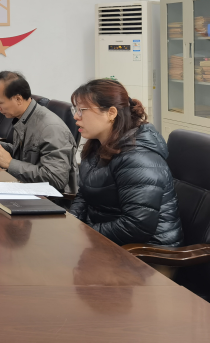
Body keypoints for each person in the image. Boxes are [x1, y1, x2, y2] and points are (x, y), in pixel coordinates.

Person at [69, 78, 183, 247]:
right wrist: (71, 224)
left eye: (82, 110)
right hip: (108, 240)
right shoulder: (97, 145)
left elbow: (137, 226)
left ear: (111, 113)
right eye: (75, 109)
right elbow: (84, 195)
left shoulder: (138, 158)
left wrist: (85, 234)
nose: (75, 116)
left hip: (148, 252)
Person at [0, 71, 78, 194]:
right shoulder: (24, 118)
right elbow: (26, 154)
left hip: (49, 199)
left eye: (0, 102)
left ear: (18, 99)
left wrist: (10, 163)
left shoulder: (51, 128)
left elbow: (56, 179)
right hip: (26, 188)